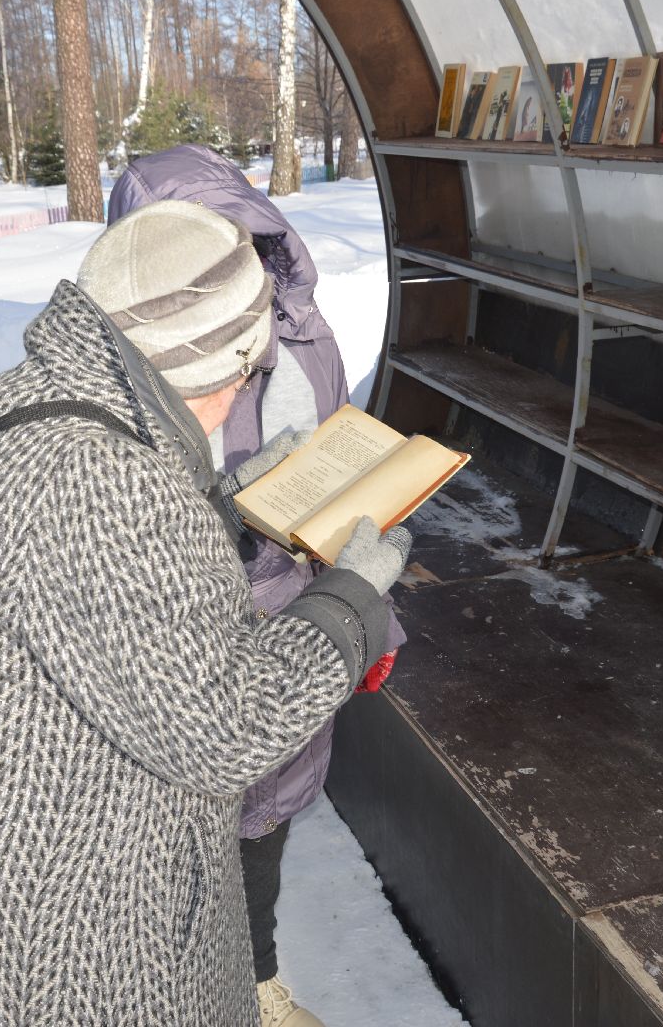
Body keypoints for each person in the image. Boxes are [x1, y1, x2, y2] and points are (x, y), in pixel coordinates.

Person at [0, 198, 412, 1027]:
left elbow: (95, 607)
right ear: (205, 362)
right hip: (67, 930)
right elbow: (228, 727)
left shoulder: (20, 403)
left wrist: (226, 510)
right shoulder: (103, 484)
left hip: (3, 868)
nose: (239, 398)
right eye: (242, 375)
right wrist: (350, 598)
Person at [109, 144, 404, 1027]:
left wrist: (366, 619)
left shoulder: (305, 332)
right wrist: (223, 516)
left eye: (239, 245)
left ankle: (255, 977)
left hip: (288, 617)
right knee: (174, 832)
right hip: (182, 632)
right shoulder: (126, 369)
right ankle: (166, 989)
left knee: (265, 816)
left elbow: (335, 463)